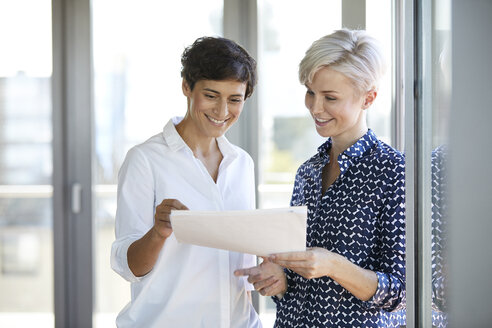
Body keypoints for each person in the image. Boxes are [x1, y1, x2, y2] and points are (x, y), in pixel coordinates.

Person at [235, 29, 406, 327]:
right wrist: (280, 278)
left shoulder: (393, 172)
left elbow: (400, 293)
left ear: (369, 98)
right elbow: (298, 279)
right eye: (311, 92)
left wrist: (333, 265)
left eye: (330, 97)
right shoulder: (308, 171)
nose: (315, 107)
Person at [110, 36, 262, 327]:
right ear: (186, 87)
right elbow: (130, 267)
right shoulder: (145, 160)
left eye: (234, 99)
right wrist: (158, 232)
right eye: (211, 95)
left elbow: (241, 256)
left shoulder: (242, 163)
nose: (221, 111)